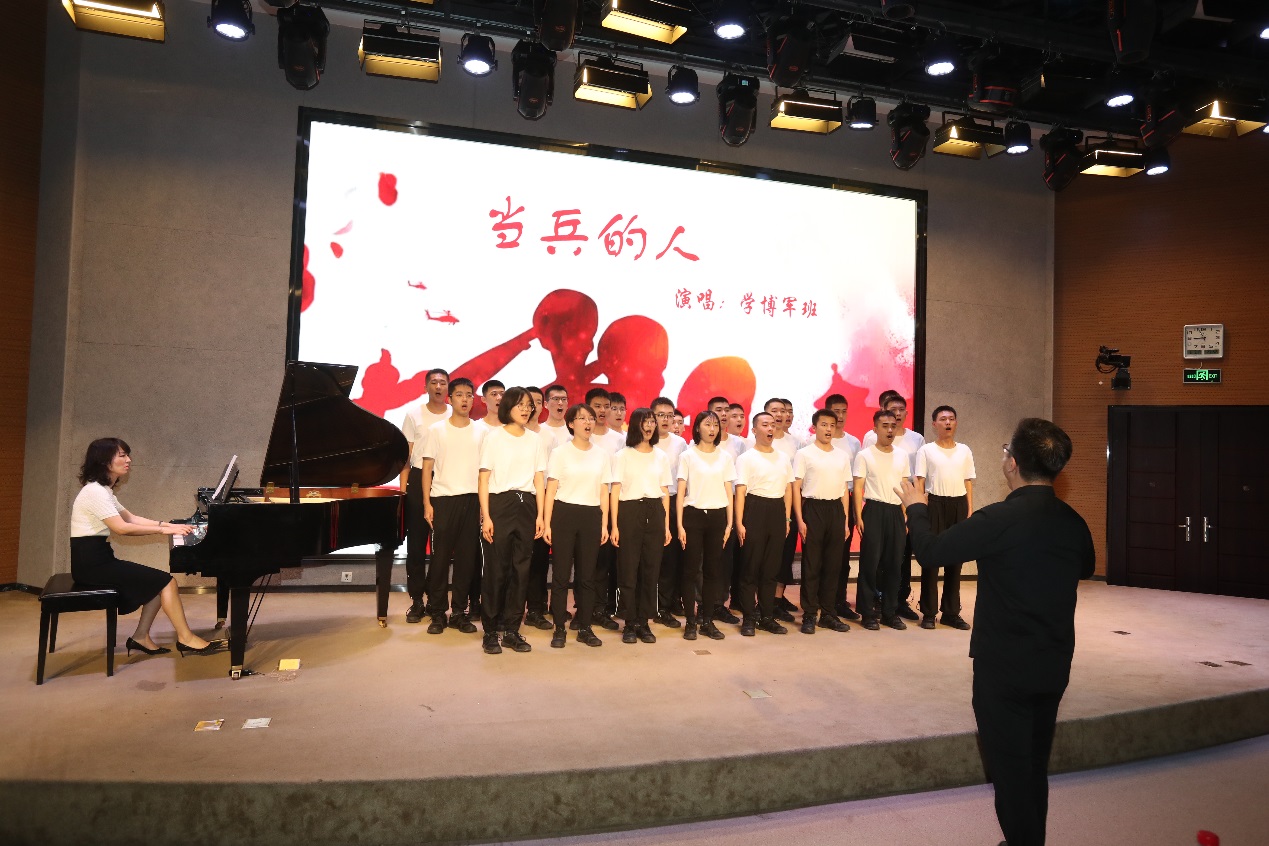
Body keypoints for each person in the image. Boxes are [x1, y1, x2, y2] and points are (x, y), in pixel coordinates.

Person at [898, 418, 1094, 846]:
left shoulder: (999, 519)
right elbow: (1085, 567)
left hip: (1004, 666)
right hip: (1054, 661)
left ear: (1012, 463)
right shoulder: (1074, 521)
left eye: (1007, 450)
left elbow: (930, 551)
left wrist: (916, 506)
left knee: (1010, 772)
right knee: (1034, 764)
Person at [70, 438, 218, 656]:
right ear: (103, 461)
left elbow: (131, 518)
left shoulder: (103, 490)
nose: (129, 460)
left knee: (156, 583)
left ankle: (140, 637)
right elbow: (122, 528)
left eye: (127, 455)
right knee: (167, 582)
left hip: (97, 560)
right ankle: (186, 638)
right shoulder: (95, 492)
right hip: (92, 565)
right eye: (122, 455)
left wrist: (169, 525)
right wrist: (162, 531)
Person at [477, 387, 548, 655]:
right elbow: (483, 478)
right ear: (508, 406)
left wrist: (541, 515)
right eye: (521, 405)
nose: (526, 409)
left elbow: (539, 479)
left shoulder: (535, 440)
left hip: (527, 505)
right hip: (500, 504)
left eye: (529, 405)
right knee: (496, 570)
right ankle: (490, 631)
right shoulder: (494, 437)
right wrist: (486, 516)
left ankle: (511, 630)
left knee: (521, 571)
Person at [418, 378, 484, 635]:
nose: (465, 399)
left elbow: (484, 472)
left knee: (467, 560)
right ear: (450, 398)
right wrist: (427, 503)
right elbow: (427, 469)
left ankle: (459, 613)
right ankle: (437, 613)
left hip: (472, 500)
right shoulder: (437, 430)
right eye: (459, 395)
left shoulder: (481, 431)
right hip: (443, 500)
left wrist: (483, 506)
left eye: (469, 395)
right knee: (440, 560)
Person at [543, 404, 610, 648]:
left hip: (591, 515)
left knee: (587, 576)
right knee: (561, 575)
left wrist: (604, 524)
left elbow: (603, 492)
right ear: (571, 424)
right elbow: (551, 491)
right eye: (582, 418)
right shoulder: (560, 453)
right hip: (564, 514)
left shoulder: (602, 454)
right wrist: (547, 523)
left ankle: (585, 627)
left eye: (590, 418)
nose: (588, 422)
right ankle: (559, 628)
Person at [609, 408, 672, 644]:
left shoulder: (661, 456)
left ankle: (644, 622)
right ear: (636, 424)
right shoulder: (622, 455)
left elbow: (665, 492)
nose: (650, 425)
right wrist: (615, 525)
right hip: (629, 510)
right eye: (645, 421)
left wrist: (666, 526)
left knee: (650, 569)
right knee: (628, 569)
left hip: (654, 511)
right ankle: (629, 622)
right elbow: (615, 491)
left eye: (652, 421)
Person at [862, 391, 925, 621]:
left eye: (900, 410)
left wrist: (912, 507)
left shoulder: (915, 440)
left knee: (900, 558)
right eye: (891, 411)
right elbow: (864, 476)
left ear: (906, 413)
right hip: (876, 504)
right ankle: (873, 604)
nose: (896, 416)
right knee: (873, 560)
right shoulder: (870, 442)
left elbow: (915, 476)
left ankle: (897, 603)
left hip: (901, 504)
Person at [913, 405, 976, 630]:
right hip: (934, 504)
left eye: (951, 419)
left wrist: (969, 509)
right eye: (942, 419)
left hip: (958, 505)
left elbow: (968, 481)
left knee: (955, 561)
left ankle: (951, 612)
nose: (947, 422)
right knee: (931, 560)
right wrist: (920, 507)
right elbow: (920, 481)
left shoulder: (965, 450)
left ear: (956, 423)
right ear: (934, 424)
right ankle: (929, 613)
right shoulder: (926, 450)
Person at [675, 410, 736, 641]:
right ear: (697, 427)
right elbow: (681, 493)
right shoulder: (688, 456)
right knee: (690, 571)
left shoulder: (725, 457)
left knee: (713, 571)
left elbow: (728, 492)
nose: (712, 429)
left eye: (715, 425)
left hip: (718, 516)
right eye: (707, 424)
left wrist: (729, 523)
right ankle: (690, 622)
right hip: (693, 515)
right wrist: (679, 525)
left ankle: (707, 621)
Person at [792, 409, 853, 634]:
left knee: (833, 565)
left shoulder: (842, 456)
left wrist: (845, 522)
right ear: (814, 427)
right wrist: (800, 519)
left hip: (836, 510)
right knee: (812, 565)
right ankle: (809, 614)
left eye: (832, 425)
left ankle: (828, 614)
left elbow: (845, 491)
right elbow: (796, 488)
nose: (828, 429)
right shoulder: (804, 454)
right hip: (813, 508)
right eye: (824, 425)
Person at [733, 411, 794, 636]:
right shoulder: (746, 458)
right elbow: (741, 491)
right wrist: (739, 522)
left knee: (771, 569)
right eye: (765, 424)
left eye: (772, 425)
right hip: (755, 509)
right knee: (751, 568)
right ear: (754, 430)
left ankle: (767, 617)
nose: (770, 428)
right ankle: (749, 618)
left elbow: (788, 489)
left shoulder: (783, 458)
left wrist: (786, 518)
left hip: (777, 511)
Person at [852, 410, 912, 631]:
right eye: (885, 426)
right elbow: (858, 487)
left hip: (896, 511)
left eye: (893, 426)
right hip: (874, 509)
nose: (889, 430)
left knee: (895, 564)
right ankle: (867, 612)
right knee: (870, 564)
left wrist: (906, 513)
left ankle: (889, 612)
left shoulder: (902, 455)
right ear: (875, 429)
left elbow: (904, 485)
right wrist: (858, 516)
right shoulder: (865, 455)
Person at [400, 368, 450, 624]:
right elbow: (406, 458)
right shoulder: (414, 415)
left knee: (442, 546)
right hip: (419, 479)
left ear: (448, 387)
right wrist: (403, 491)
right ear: (426, 387)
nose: (438, 386)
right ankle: (417, 600)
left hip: (446, 479)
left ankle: (435, 598)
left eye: (443, 382)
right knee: (417, 545)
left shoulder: (455, 414)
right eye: (434, 382)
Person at [584, 387, 625, 631]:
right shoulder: (580, 437)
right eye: (597, 406)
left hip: (611, 502)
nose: (602, 410)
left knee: (606, 560)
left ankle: (602, 608)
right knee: (586, 560)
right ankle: (584, 608)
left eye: (606, 406)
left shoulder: (619, 440)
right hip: (585, 502)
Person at [651, 396, 689, 628]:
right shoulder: (644, 440)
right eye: (660, 415)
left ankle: (666, 605)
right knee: (650, 557)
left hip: (674, 502)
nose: (665, 420)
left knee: (671, 558)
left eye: (669, 415)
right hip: (650, 502)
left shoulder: (680, 443)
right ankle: (650, 604)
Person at [825, 393, 863, 622]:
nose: (840, 416)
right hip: (821, 500)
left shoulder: (854, 443)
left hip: (844, 500)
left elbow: (857, 479)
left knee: (842, 556)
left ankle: (839, 600)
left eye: (843, 411)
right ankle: (819, 601)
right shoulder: (813, 442)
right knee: (818, 557)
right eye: (835, 411)